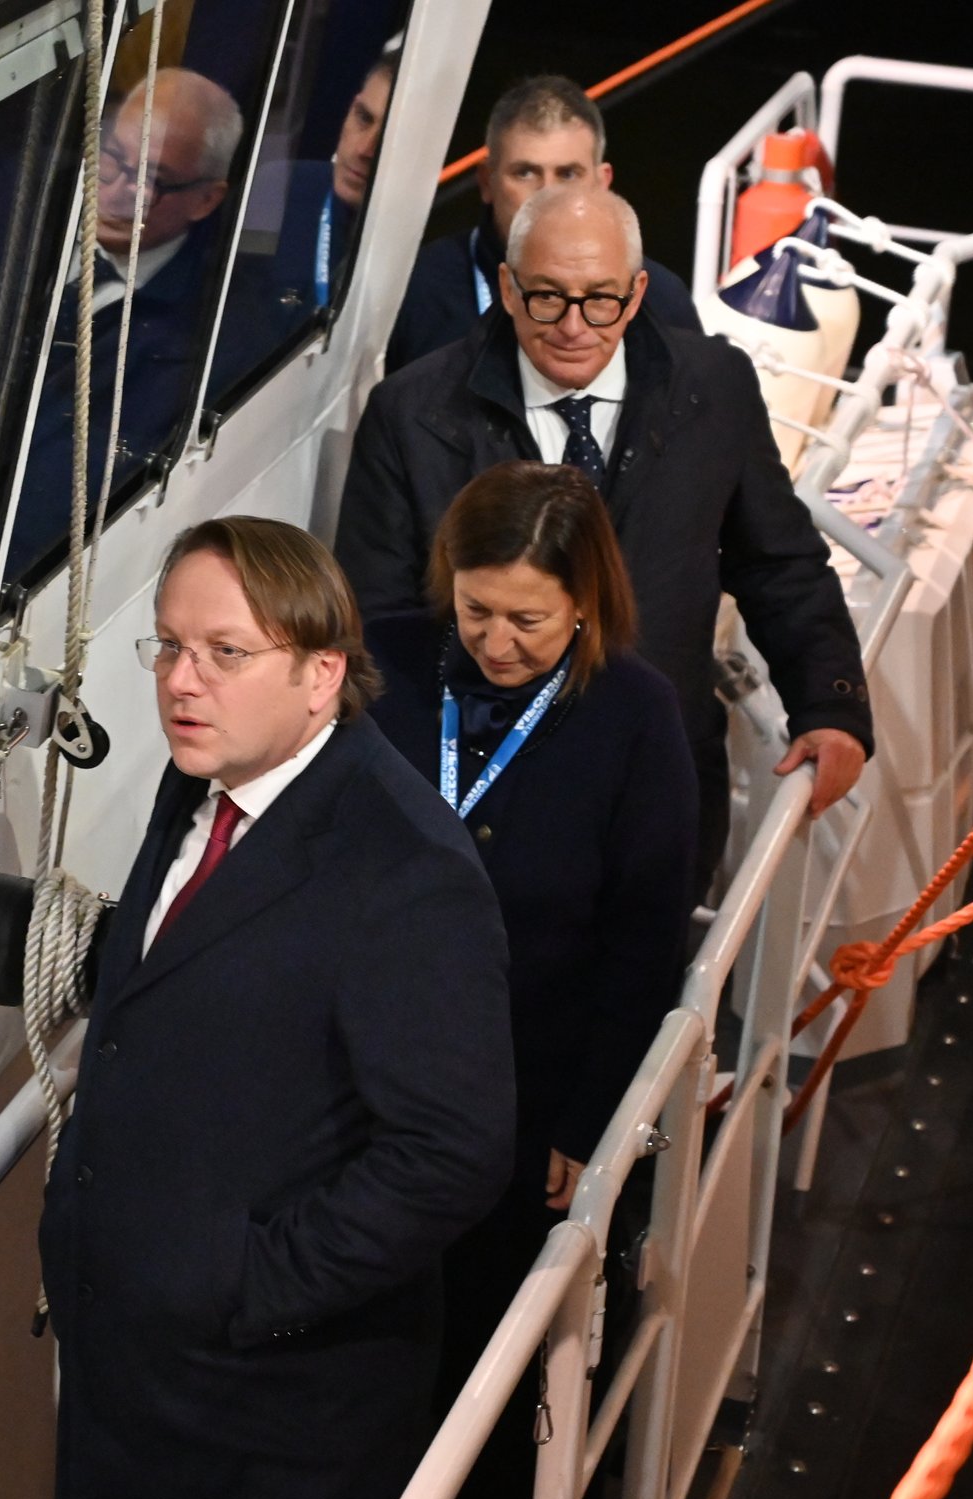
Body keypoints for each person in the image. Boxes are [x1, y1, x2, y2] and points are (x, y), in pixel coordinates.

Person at [39, 517, 516, 1499]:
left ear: (321, 673)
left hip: (267, 1430)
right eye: (168, 646)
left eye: (224, 652)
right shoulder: (200, 781)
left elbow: (450, 1154)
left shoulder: (407, 871)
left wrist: (244, 1286)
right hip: (130, 1395)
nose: (181, 682)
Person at [364, 461, 695, 1499]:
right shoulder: (381, 667)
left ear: (584, 605)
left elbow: (643, 942)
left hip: (524, 1099)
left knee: (485, 1360)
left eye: (527, 622)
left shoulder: (636, 717)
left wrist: (584, 1121)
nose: (496, 644)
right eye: (475, 611)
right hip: (371, 1085)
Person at [339, 185, 872, 880]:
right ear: (507, 287)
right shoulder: (409, 413)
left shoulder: (717, 387)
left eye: (601, 300)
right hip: (479, 805)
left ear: (638, 291)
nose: (573, 326)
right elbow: (379, 623)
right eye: (547, 297)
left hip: (664, 788)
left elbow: (780, 565)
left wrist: (830, 705)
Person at [5, 69, 246, 582]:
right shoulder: (13, 239)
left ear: (206, 199)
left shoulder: (215, 336)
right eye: (111, 159)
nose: (114, 191)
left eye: (149, 180)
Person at [387, 73, 698, 373]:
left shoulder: (660, 298)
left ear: (603, 183)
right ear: (486, 181)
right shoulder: (416, 289)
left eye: (568, 174)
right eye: (525, 173)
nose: (547, 194)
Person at [266, 50, 396, 318]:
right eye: (364, 118)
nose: (364, 150)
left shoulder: (429, 259)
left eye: (391, 136)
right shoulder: (278, 187)